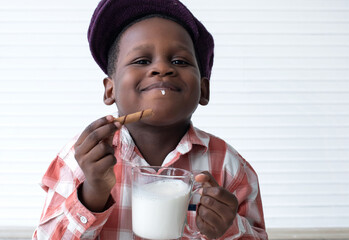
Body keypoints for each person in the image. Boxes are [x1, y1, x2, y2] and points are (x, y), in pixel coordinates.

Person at [33, 0, 267, 239]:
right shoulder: (80, 160)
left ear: (204, 90)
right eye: (142, 61)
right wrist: (92, 194)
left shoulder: (230, 167)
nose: (162, 69)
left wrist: (229, 228)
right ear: (110, 89)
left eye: (179, 61)